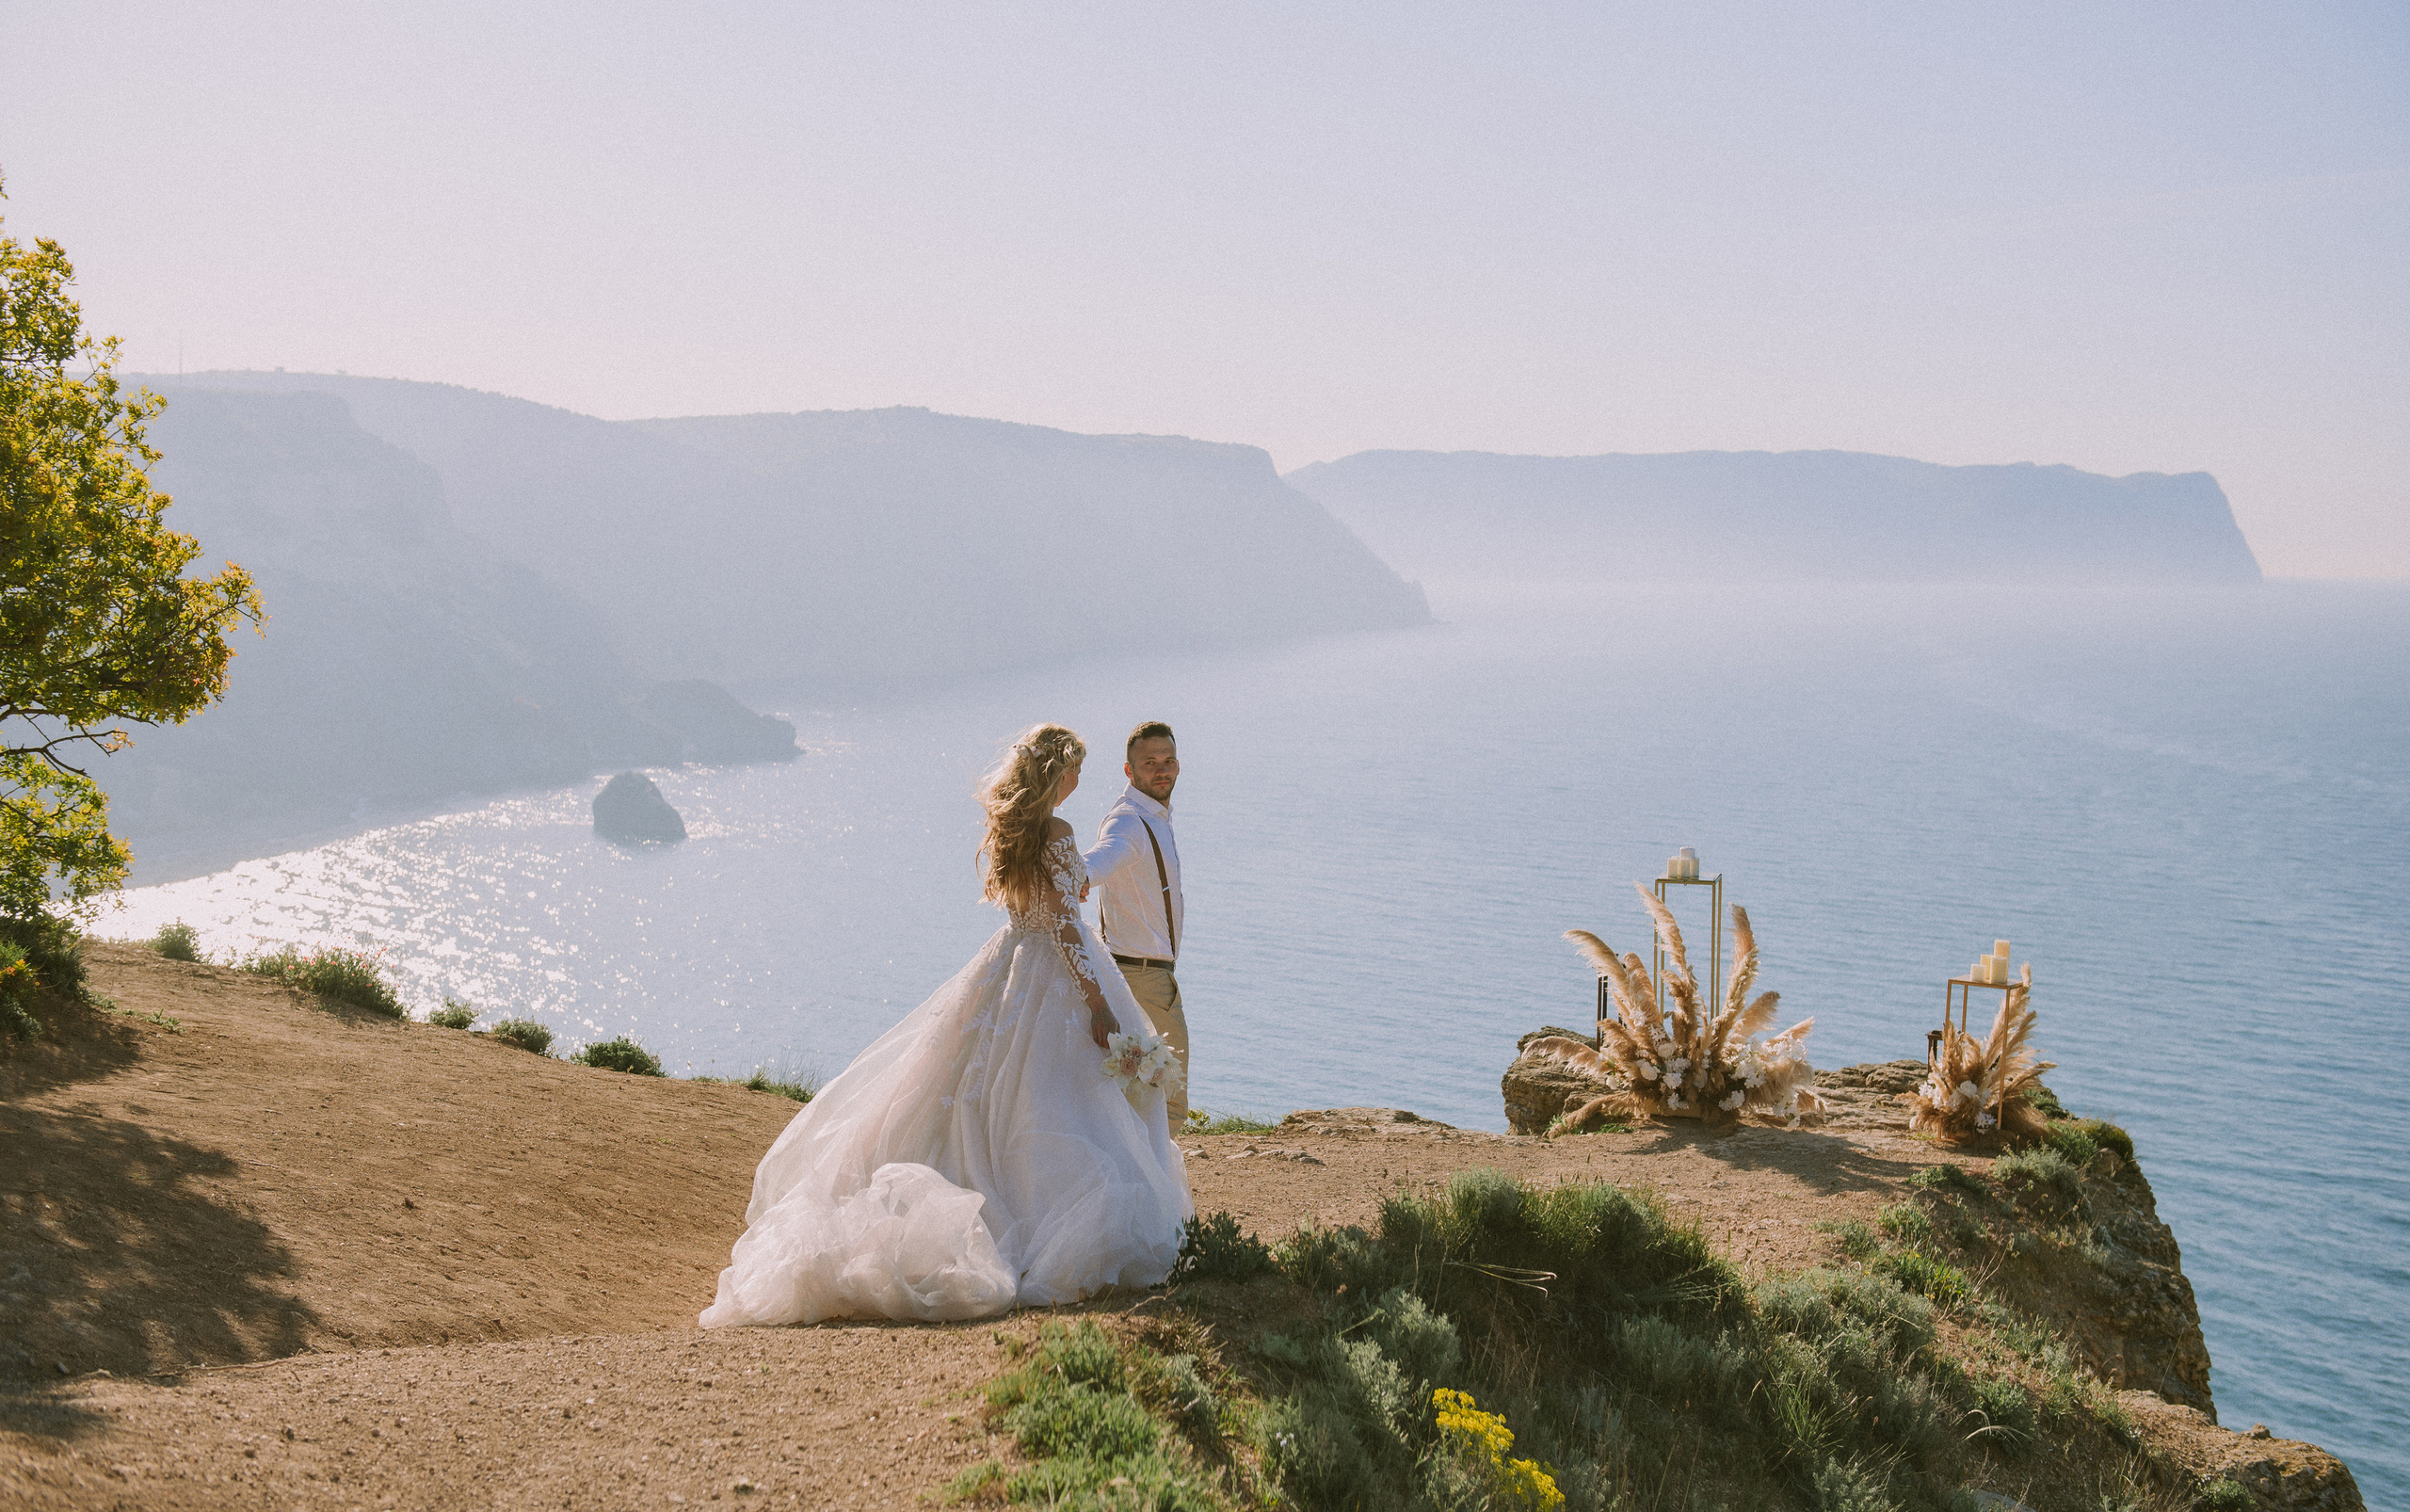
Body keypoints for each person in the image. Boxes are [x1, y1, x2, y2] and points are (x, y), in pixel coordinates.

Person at [698, 724, 1191, 1327]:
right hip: (1054, 975)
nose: (1077, 782)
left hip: (1009, 965)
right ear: (1056, 775)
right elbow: (1065, 928)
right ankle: (1040, 1220)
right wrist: (1099, 1006)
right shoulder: (1058, 834)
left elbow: (1035, 912)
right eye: (1074, 771)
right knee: (1053, 1103)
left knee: (977, 1102)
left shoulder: (1015, 833)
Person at [1084, 720, 1188, 1132]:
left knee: (1142, 1100)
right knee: (1170, 1101)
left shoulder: (1152, 815)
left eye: (1169, 761)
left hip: (1136, 973)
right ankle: (1162, 1194)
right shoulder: (1129, 822)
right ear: (1129, 771)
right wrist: (1076, 876)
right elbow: (1104, 857)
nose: (1162, 770)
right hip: (1144, 978)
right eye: (1150, 763)